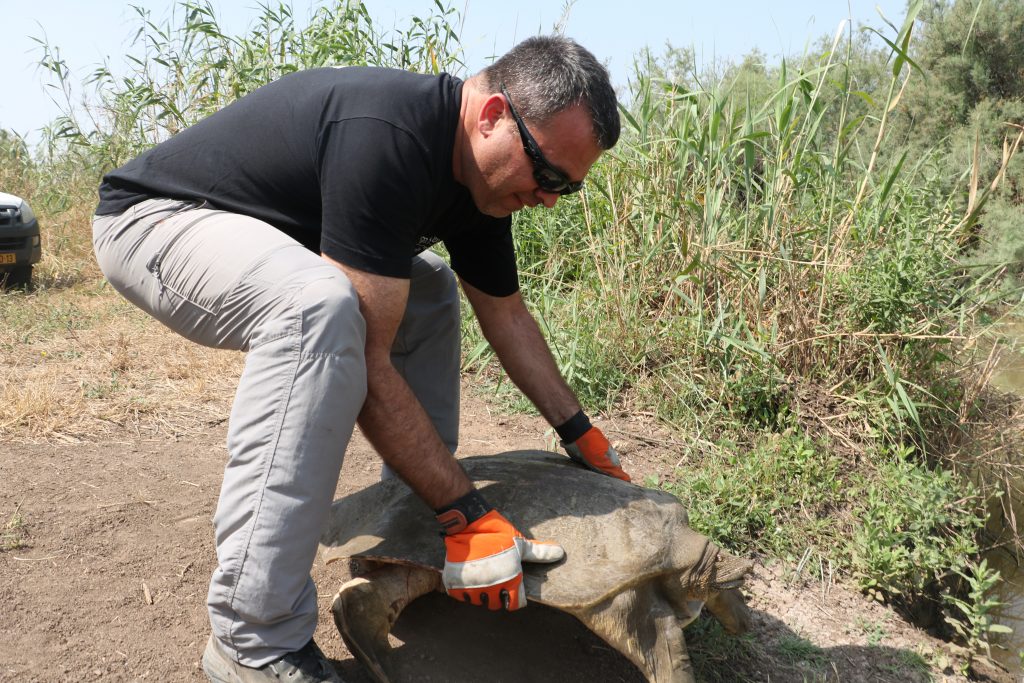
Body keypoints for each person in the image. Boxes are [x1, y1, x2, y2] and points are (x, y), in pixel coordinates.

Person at [92, 35, 627, 682]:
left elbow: (507, 314)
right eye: (545, 176)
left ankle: (411, 545)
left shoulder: (483, 183)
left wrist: (583, 434)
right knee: (318, 308)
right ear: (491, 116)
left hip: (260, 235)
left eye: (565, 190)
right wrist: (468, 509)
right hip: (155, 221)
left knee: (427, 288)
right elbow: (368, 363)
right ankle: (253, 640)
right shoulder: (390, 135)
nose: (546, 200)